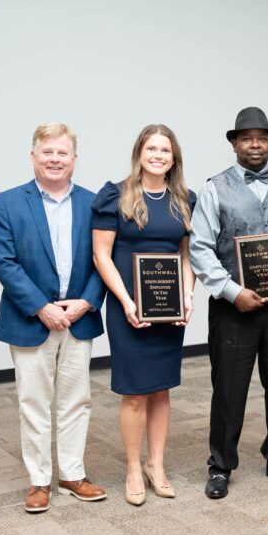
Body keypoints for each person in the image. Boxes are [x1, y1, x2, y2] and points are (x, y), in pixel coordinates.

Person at [189, 106, 268, 497]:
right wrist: (232, 291)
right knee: (229, 388)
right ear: (234, 144)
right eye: (247, 138)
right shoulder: (214, 188)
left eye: (262, 138)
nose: (255, 145)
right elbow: (200, 248)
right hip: (233, 309)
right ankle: (221, 465)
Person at [0, 122, 107, 513]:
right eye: (48, 152)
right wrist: (42, 307)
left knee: (76, 400)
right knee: (34, 402)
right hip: (30, 319)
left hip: (78, 318)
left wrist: (85, 302)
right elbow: (5, 263)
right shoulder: (7, 202)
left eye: (62, 152)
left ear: (74, 158)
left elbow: (103, 260)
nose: (55, 159)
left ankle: (72, 475)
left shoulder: (95, 203)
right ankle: (39, 481)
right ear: (33, 156)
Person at [91, 124, 196, 506]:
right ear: (139, 153)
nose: (158, 156)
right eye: (151, 148)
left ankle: (157, 465)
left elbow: (186, 256)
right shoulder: (115, 196)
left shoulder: (184, 199)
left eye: (165, 150)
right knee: (135, 394)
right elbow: (101, 255)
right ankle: (134, 468)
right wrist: (125, 301)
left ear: (173, 158)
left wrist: (187, 296)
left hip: (168, 311)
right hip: (129, 309)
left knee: (161, 389)